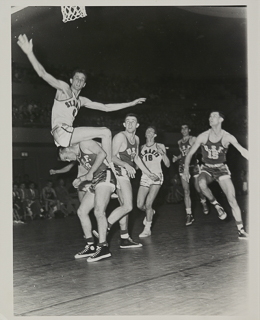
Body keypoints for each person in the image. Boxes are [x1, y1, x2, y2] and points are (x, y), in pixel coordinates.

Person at [17, 34, 146, 163]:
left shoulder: (82, 100)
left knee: (96, 143)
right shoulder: (64, 89)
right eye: (77, 78)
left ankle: (105, 164)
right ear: (71, 80)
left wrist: (130, 104)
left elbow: (106, 108)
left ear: (84, 84)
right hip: (62, 132)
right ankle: (110, 163)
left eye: (82, 80)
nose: (79, 81)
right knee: (105, 132)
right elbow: (43, 74)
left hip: (65, 135)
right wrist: (29, 53)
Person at [183, 111, 249, 239]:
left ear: (221, 120)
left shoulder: (227, 137)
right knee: (200, 183)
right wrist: (186, 168)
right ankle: (216, 205)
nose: (211, 118)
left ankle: (241, 230)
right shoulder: (203, 136)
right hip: (207, 168)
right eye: (209, 116)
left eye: (214, 116)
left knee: (232, 199)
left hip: (221, 169)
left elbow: (242, 150)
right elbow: (190, 154)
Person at [102, 114, 159, 247]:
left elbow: (136, 158)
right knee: (128, 206)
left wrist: (149, 173)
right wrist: (126, 165)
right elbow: (110, 157)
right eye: (127, 121)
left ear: (137, 125)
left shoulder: (137, 139)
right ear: (124, 124)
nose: (130, 124)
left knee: (124, 206)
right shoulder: (120, 137)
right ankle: (104, 226)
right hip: (116, 170)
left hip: (123, 172)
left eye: (133, 121)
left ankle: (124, 237)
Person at [59, 139, 117, 262]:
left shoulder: (85, 143)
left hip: (105, 175)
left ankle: (103, 247)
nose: (69, 160)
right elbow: (83, 173)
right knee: (81, 211)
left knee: (99, 211)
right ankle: (91, 245)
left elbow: (102, 154)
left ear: (68, 149)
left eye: (66, 158)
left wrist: (89, 173)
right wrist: (79, 180)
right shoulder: (79, 156)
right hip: (95, 180)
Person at [172, 124, 209, 226]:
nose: (183, 130)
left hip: (194, 166)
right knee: (186, 190)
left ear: (189, 129)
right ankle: (189, 214)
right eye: (182, 128)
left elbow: (202, 147)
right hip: (183, 167)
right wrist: (177, 158)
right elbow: (183, 154)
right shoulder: (179, 142)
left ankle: (203, 201)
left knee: (198, 188)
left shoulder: (193, 139)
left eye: (185, 128)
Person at [137, 126, 170, 237]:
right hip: (145, 177)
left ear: (155, 135)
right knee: (139, 205)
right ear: (145, 134)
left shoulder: (160, 146)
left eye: (152, 132)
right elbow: (138, 166)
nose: (149, 133)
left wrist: (163, 153)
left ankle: (147, 229)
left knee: (148, 203)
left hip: (157, 176)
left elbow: (168, 164)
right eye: (148, 131)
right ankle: (150, 212)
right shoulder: (141, 147)